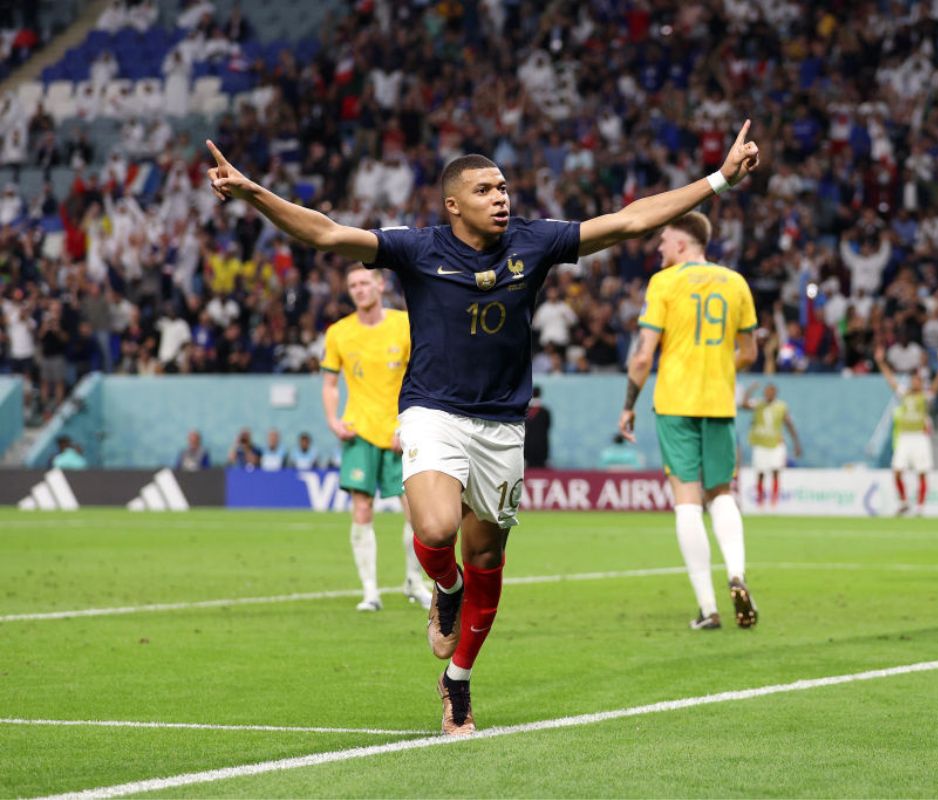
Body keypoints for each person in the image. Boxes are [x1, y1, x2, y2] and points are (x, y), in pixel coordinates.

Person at [206, 121, 759, 735]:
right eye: (487, 190)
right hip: (432, 410)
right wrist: (255, 192)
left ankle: (458, 683)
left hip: (501, 424)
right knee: (437, 528)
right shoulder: (417, 250)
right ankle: (444, 586)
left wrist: (717, 180)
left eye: (504, 188)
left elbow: (631, 219)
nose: (502, 198)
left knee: (488, 554)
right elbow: (327, 233)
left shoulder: (535, 241)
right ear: (453, 204)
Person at [619, 211, 760, 631]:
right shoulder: (736, 283)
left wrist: (628, 404)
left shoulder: (664, 283)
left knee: (685, 498)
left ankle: (708, 607)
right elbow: (749, 353)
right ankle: (736, 573)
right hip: (719, 401)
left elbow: (644, 355)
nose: (659, 247)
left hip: (676, 401)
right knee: (722, 492)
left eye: (663, 240)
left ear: (681, 244)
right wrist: (718, 368)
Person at [321, 266, 432, 613]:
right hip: (359, 432)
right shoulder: (339, 332)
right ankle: (370, 591)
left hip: (401, 431)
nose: (359, 289)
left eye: (365, 282)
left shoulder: (404, 324)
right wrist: (333, 421)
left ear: (380, 285)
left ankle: (414, 581)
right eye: (352, 284)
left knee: (415, 514)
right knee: (362, 508)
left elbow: (422, 376)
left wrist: (411, 423)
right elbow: (329, 383)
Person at [876, 347, 938, 516]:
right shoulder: (905, 394)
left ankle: (920, 506)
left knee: (922, 472)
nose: (914, 382)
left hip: (919, 437)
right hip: (904, 438)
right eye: (913, 380)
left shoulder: (925, 396)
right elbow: (891, 380)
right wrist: (881, 362)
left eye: (917, 380)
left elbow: (937, 385)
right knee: (896, 471)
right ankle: (903, 502)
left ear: (921, 382)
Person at [741, 382, 802, 506]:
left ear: (775, 393)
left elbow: (789, 424)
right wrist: (749, 390)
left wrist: (796, 443)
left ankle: (774, 501)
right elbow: (744, 405)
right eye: (767, 391)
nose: (769, 394)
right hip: (760, 443)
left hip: (775, 443)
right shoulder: (758, 404)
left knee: (775, 471)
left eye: (771, 391)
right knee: (760, 472)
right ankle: (760, 501)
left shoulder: (781, 406)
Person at [524, 385, 551, 468]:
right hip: (542, 447)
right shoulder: (545, 412)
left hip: (528, 448)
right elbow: (548, 426)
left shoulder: (525, 411)